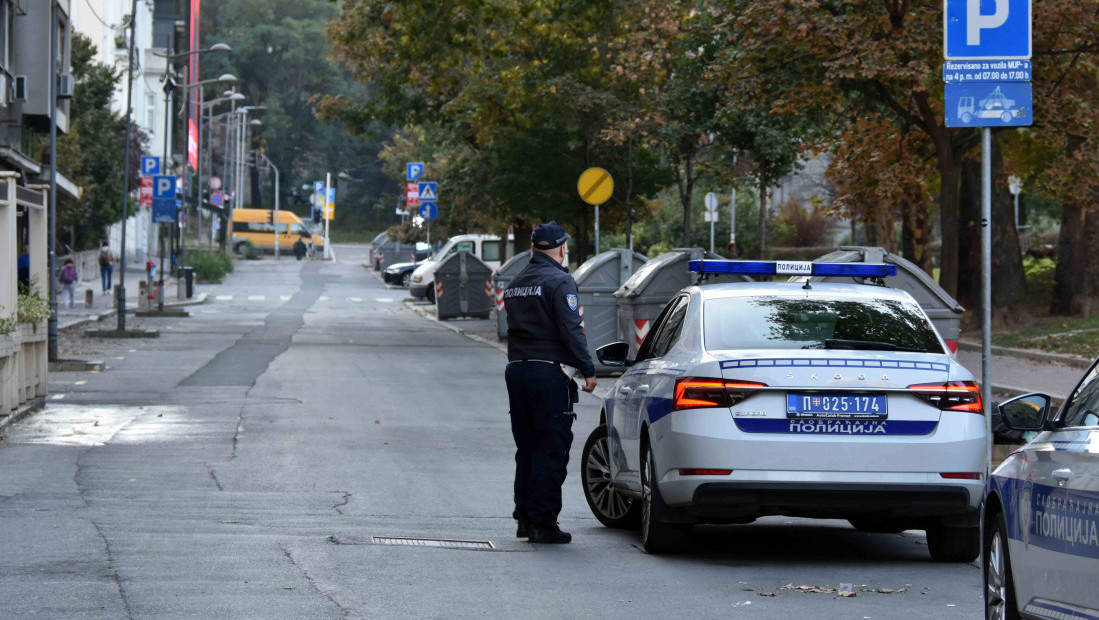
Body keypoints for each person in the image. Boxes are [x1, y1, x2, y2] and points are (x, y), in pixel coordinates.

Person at [503, 221, 597, 544]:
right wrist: (588, 369)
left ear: (533, 248)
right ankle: (543, 523)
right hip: (549, 374)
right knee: (551, 447)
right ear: (560, 249)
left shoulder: (515, 284)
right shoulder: (560, 281)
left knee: (526, 446)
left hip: (517, 371)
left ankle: (525, 518)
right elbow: (573, 330)